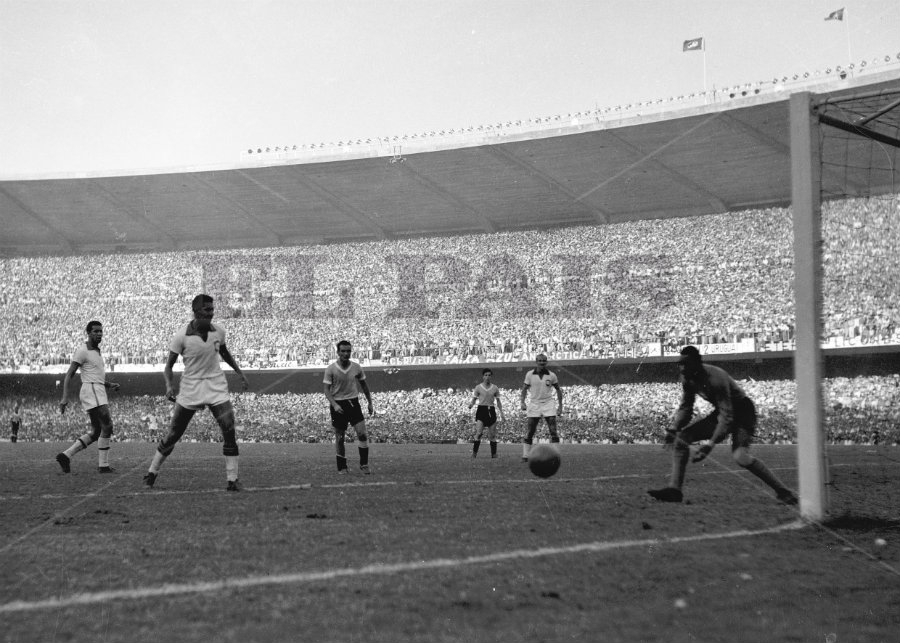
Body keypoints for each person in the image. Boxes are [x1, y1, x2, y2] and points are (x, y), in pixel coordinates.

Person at [648, 345, 798, 505]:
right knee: (682, 438)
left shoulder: (716, 378)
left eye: (686, 364)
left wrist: (710, 444)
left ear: (697, 363)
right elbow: (686, 407)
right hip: (723, 411)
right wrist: (674, 428)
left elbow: (727, 416)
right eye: (680, 364)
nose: (682, 368)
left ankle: (783, 491)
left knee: (741, 457)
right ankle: (674, 490)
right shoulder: (686, 378)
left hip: (742, 412)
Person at [143, 294, 248, 491]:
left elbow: (224, 352)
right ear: (196, 311)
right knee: (174, 433)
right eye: (207, 309)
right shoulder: (181, 336)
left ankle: (232, 479)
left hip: (216, 386)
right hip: (191, 387)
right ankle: (152, 472)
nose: (211, 313)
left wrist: (239, 372)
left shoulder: (219, 331)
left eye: (212, 309)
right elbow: (168, 366)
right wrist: (169, 385)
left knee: (229, 427)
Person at [56, 321, 120, 473]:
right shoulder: (83, 351)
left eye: (101, 331)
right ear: (88, 333)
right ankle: (103, 465)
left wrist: (109, 384)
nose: (99, 334)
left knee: (96, 431)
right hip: (92, 390)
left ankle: (66, 455)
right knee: (108, 425)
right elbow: (69, 374)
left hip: (97, 388)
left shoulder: (97, 352)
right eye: (96, 331)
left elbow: (95, 376)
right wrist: (65, 397)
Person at [323, 340, 373, 474]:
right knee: (340, 438)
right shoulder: (331, 369)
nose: (346, 353)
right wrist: (334, 405)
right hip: (338, 404)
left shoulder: (356, 367)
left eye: (348, 351)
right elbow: (326, 390)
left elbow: (364, 386)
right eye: (343, 351)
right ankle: (342, 467)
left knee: (362, 434)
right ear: (338, 352)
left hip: (353, 403)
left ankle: (364, 464)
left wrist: (370, 402)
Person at [519, 354, 563, 461]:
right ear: (536, 361)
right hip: (534, 403)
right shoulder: (529, 374)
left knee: (553, 430)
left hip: (548, 403)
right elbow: (524, 389)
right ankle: (525, 455)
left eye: (544, 361)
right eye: (540, 360)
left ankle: (556, 455)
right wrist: (522, 402)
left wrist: (560, 406)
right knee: (530, 430)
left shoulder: (552, 375)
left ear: (546, 362)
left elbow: (558, 390)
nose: (542, 362)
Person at [468, 368, 505, 458]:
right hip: (481, 410)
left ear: (491, 377)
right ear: (483, 376)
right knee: (479, 433)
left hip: (491, 410)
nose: (487, 377)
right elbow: (474, 399)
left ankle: (494, 455)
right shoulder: (478, 387)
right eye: (486, 375)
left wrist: (502, 413)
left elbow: (498, 401)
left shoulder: (495, 388)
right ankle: (474, 454)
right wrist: (471, 404)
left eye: (489, 375)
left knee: (492, 435)